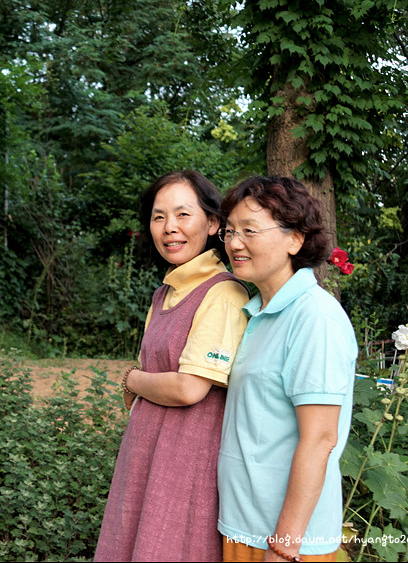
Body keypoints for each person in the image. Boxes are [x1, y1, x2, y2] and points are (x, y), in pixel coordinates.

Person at [94, 170, 250, 561]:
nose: (169, 228)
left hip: (187, 458)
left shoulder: (224, 292)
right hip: (147, 449)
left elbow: (188, 388)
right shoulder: (165, 292)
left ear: (214, 223)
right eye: (158, 216)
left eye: (183, 215)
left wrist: (131, 378)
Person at [216, 176, 356, 562]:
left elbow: (321, 439)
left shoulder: (315, 318)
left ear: (295, 239)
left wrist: (286, 543)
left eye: (249, 230)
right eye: (230, 231)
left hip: (285, 542)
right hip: (244, 525)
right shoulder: (257, 312)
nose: (234, 243)